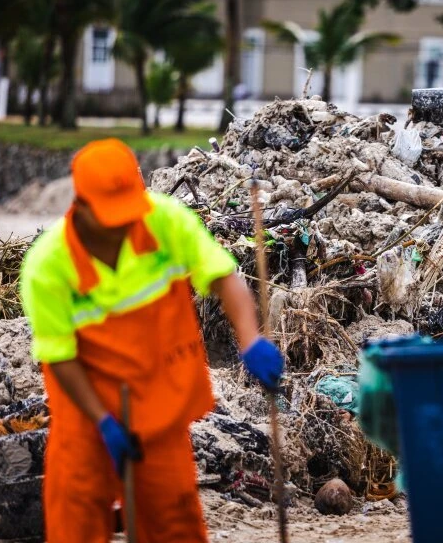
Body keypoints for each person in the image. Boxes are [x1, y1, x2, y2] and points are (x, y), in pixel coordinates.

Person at [19, 138, 284, 542]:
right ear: (83, 206)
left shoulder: (165, 222)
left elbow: (223, 278)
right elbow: (60, 358)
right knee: (76, 523)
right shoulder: (48, 265)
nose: (125, 224)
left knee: (174, 524)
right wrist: (104, 422)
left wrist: (250, 341)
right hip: (87, 420)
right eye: (113, 216)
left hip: (158, 408)